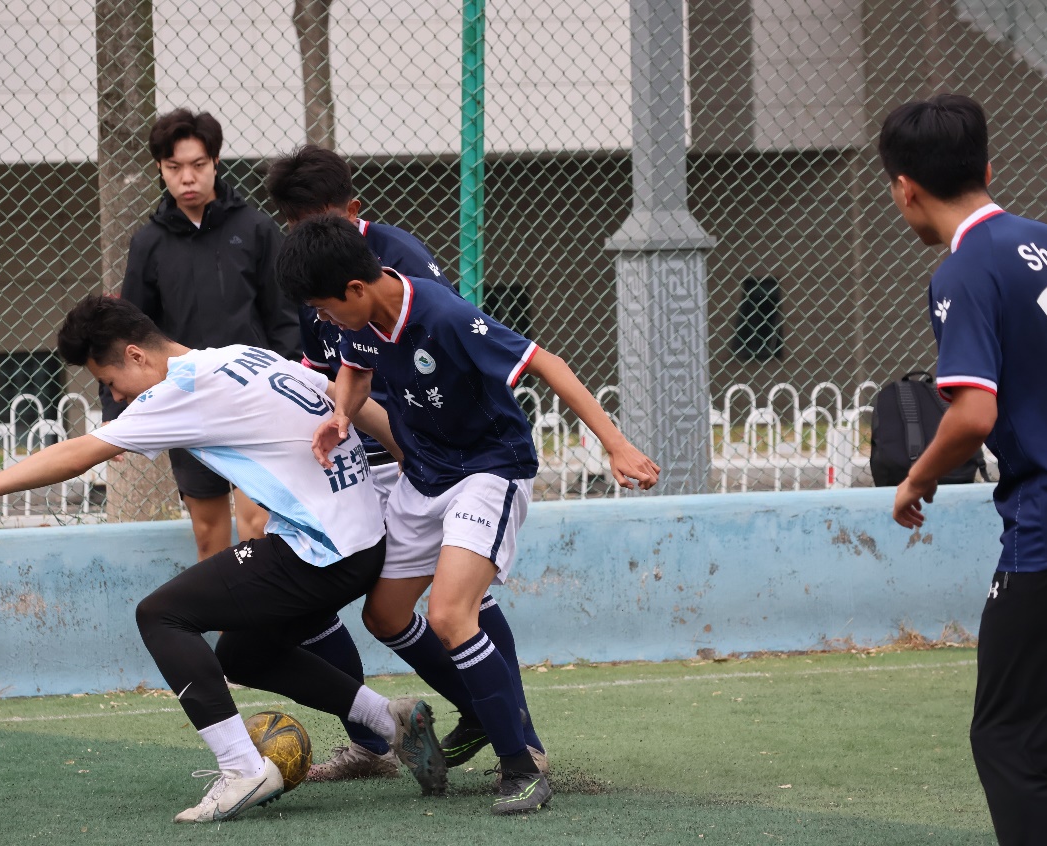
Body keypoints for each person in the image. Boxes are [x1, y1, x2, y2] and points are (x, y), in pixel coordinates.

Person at [0, 295, 446, 822]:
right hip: (362, 540)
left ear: (135, 354)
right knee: (242, 654)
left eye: (109, 381)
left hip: (321, 550)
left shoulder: (180, 390)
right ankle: (390, 721)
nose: (114, 395)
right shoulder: (241, 355)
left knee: (161, 614)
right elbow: (343, 394)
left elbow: (77, 454)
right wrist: (408, 455)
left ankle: (242, 770)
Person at [276, 215, 660, 815]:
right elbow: (354, 367)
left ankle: (521, 766)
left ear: (355, 288)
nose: (323, 320)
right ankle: (482, 711)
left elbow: (545, 362)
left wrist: (616, 444)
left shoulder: (443, 314)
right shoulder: (359, 319)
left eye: (325, 308)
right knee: (384, 616)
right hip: (424, 475)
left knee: (451, 615)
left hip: (488, 470)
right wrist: (342, 415)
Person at [266, 145, 549, 784]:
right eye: (294, 221)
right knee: (374, 603)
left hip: (428, 454)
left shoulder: (398, 262)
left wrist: (408, 446)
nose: (306, 230)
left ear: (351, 210)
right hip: (361, 451)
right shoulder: (311, 277)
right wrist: (331, 423)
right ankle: (395, 734)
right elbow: (331, 368)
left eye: (320, 216)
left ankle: (516, 738)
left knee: (458, 600)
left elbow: (447, 356)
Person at [882, 93, 1047, 845]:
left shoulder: (963, 271)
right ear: (988, 167)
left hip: (1042, 535)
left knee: (1007, 735)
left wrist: (916, 478)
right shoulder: (1043, 241)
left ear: (904, 188)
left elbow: (973, 414)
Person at [106, 108, 301, 562]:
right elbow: (131, 330)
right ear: (161, 168)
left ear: (215, 161)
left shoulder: (255, 229)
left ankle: (259, 612)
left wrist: (291, 384)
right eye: (174, 167)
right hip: (188, 398)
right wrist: (115, 410)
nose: (187, 177)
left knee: (259, 526)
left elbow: (284, 317)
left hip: (254, 399)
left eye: (197, 164)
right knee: (209, 536)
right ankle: (220, 610)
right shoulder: (148, 243)